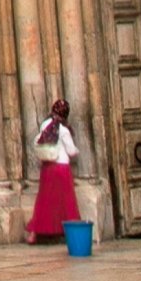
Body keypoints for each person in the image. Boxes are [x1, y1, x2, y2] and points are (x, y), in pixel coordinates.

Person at [27, 100, 82, 244]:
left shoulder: (45, 125)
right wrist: (77, 151)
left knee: (44, 200)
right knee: (65, 201)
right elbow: (71, 150)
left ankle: (34, 233)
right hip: (61, 167)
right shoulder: (64, 130)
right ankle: (71, 233)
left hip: (48, 166)